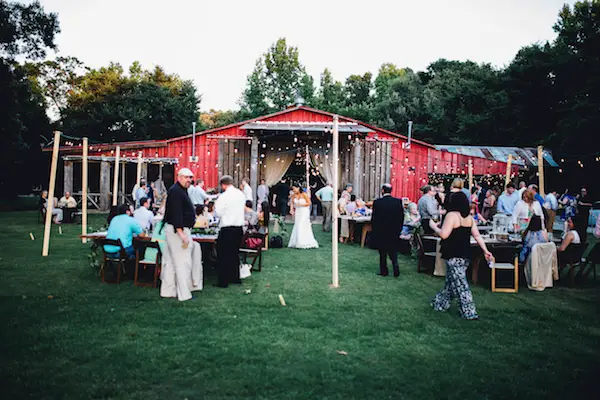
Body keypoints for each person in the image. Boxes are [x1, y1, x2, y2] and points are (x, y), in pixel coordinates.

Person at [429, 191, 493, 320]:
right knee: (451, 283)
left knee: (461, 285)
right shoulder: (469, 218)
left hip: (453, 255)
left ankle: (469, 312)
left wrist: (433, 227)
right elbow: (477, 235)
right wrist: (485, 250)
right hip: (465, 255)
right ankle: (439, 303)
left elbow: (444, 234)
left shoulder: (451, 215)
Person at [161, 168, 202, 301]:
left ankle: (168, 291)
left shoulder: (178, 191)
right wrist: (181, 233)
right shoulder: (177, 192)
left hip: (175, 229)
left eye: (191, 177)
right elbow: (176, 213)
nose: (189, 180)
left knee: (171, 263)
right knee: (183, 262)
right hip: (177, 230)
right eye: (186, 177)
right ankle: (184, 294)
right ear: (179, 177)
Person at [214, 175, 246, 288]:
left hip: (227, 227)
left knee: (223, 255)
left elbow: (218, 212)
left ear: (223, 185)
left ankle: (223, 281)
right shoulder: (241, 194)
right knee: (234, 253)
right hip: (238, 228)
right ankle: (235, 277)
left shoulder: (223, 196)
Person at [371, 183, 404, 277]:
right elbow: (401, 217)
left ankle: (384, 271)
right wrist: (399, 229)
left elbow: (374, 218)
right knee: (393, 251)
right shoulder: (398, 202)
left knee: (382, 252)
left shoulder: (378, 202)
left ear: (382, 190)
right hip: (394, 230)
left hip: (381, 230)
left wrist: (375, 231)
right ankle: (395, 268)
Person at [288, 182, 319, 249]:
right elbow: (292, 203)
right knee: (297, 224)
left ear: (298, 188)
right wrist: (291, 210)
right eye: (293, 189)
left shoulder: (304, 194)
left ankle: (303, 241)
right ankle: (296, 241)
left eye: (294, 188)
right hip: (298, 212)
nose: (293, 190)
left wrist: (301, 205)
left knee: (302, 224)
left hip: (304, 211)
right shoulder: (293, 195)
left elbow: (309, 203)